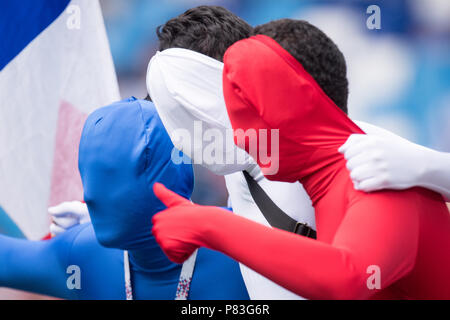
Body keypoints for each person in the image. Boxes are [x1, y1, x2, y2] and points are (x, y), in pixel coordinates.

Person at [150, 19, 450, 299]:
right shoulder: (327, 184)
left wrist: (211, 226)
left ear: (299, 102)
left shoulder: (376, 174)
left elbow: (348, 277)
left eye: (251, 112)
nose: (240, 138)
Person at [0, 97, 249, 300]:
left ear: (163, 178)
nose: (90, 196)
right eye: (87, 172)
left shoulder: (244, 245)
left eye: (110, 175)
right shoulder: (82, 256)